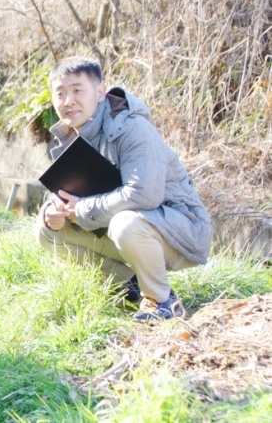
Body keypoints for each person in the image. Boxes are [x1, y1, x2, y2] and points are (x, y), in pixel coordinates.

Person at [33, 56, 212, 321]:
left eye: (77, 90)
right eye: (60, 93)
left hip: (180, 230)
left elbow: (144, 194)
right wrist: (55, 213)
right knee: (46, 232)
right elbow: (64, 193)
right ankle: (135, 289)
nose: (68, 100)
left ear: (100, 91)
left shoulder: (132, 128)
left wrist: (81, 209)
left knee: (124, 224)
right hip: (132, 226)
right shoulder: (70, 135)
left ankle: (161, 303)